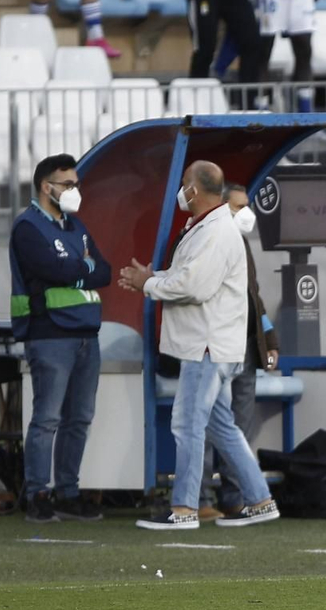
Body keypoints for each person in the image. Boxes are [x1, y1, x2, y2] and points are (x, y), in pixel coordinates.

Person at [118, 160, 279, 530]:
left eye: (184, 183)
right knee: (221, 426)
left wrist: (148, 284)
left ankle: (185, 509)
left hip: (206, 348)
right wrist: (153, 278)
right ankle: (260, 500)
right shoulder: (208, 227)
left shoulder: (216, 232)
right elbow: (188, 277)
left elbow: (194, 287)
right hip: (213, 345)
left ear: (194, 189)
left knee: (187, 424)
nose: (180, 189)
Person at [9, 154, 111, 523]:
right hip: (49, 333)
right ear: (45, 186)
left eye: (76, 184)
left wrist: (78, 270)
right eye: (67, 184)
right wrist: (82, 267)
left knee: (79, 418)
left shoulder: (75, 226)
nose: (74, 190)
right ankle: (38, 494)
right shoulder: (28, 228)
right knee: (47, 418)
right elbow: (54, 269)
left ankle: (68, 492)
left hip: (85, 333)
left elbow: (105, 270)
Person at [199, 184, 281, 519]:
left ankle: (235, 497)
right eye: (238, 207)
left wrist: (270, 341)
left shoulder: (240, 243)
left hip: (246, 346)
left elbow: (254, 295)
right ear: (220, 207)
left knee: (239, 426)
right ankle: (202, 498)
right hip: (217, 345)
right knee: (208, 423)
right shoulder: (206, 241)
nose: (246, 214)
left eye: (247, 205)